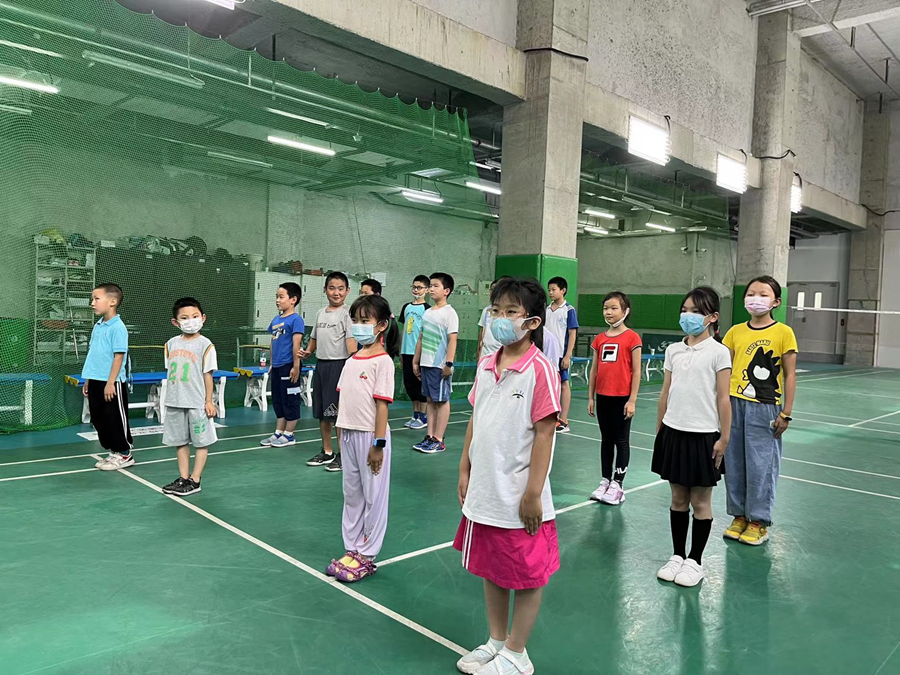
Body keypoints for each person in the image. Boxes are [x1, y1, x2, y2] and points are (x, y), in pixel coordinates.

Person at [454, 277, 560, 675]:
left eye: (511, 312)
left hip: (519, 493)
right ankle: (497, 641)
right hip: (486, 489)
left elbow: (545, 434)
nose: (501, 318)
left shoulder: (540, 370)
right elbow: (476, 418)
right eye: (496, 310)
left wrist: (533, 493)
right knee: (492, 568)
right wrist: (464, 466)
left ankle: (517, 653)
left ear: (532, 322)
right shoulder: (486, 364)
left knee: (528, 575)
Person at [652, 287, 732, 587]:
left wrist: (724, 438)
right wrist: (660, 429)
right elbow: (665, 392)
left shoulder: (719, 352)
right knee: (677, 499)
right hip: (673, 431)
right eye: (685, 310)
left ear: (712, 317)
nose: (688, 316)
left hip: (704, 436)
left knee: (700, 501)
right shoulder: (674, 350)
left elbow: (723, 398)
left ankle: (695, 561)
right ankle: (677, 555)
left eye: (696, 311)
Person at [325, 294, 400, 582]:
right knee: (352, 495)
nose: (358, 326)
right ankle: (352, 548)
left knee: (374, 496)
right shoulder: (352, 360)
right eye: (355, 320)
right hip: (348, 436)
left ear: (381, 326)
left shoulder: (384, 362)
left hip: (371, 438)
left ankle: (367, 555)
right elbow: (345, 401)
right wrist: (341, 438)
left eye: (365, 321)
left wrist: (378, 445)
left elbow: (382, 407)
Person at [721, 276, 798, 546]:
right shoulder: (734, 332)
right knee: (734, 462)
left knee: (761, 465)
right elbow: (725, 371)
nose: (756, 298)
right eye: (751, 293)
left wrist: (786, 412)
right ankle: (739, 516)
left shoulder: (784, 332)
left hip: (765, 407)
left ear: (776, 302)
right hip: (734, 403)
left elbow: (790, 375)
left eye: (763, 294)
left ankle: (758, 521)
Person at [161, 298, 219, 497]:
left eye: (195, 316)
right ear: (175, 322)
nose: (190, 321)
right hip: (175, 401)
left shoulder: (206, 345)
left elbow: (207, 375)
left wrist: (209, 401)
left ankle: (195, 480)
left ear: (203, 318)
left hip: (197, 402)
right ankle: (183, 478)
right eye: (184, 318)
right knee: (180, 441)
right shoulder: (170, 344)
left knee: (201, 442)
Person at [587, 291, 642, 505]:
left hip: (622, 398)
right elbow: (594, 370)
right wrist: (591, 397)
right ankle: (605, 480)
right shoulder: (599, 339)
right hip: (603, 397)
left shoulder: (632, 338)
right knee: (606, 440)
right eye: (605, 308)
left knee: (621, 440)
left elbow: (636, 371)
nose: (608, 312)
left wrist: (632, 400)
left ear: (625, 311)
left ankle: (618, 484)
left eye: (613, 308)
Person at [300, 272, 356, 472]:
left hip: (339, 366)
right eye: (332, 288)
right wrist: (308, 352)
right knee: (323, 413)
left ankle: (343, 454)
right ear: (325, 290)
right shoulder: (320, 313)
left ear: (347, 291)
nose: (336, 292)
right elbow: (314, 338)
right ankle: (327, 451)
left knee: (338, 414)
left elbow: (351, 341)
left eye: (341, 288)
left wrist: (353, 363)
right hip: (321, 366)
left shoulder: (348, 313)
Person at [84, 283, 134, 471]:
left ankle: (125, 453)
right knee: (99, 418)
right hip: (95, 380)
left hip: (111, 383)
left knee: (115, 418)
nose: (92, 303)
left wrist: (111, 382)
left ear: (112, 302)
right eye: (92, 299)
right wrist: (89, 379)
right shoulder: (98, 326)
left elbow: (118, 357)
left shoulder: (118, 327)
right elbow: (94, 355)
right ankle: (114, 451)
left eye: (96, 299)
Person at [412, 272, 458, 454]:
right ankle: (430, 436)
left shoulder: (450, 313)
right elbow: (421, 338)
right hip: (426, 363)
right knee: (430, 400)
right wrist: (416, 360)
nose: (431, 289)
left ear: (446, 291)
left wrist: (449, 363)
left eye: (435, 286)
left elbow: (453, 340)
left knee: (442, 400)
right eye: (430, 286)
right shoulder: (427, 313)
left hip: (440, 365)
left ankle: (439, 439)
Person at [259, 283, 305, 448]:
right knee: (278, 399)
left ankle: (289, 434)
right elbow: (273, 342)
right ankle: (279, 431)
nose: (277, 300)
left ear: (293, 300)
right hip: (277, 366)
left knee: (290, 399)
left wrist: (296, 366)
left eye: (281, 297)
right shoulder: (276, 320)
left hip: (289, 365)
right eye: (276, 297)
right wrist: (272, 363)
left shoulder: (296, 320)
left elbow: (296, 344)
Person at [546, 277, 579, 434]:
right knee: (548, 385)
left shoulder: (569, 310)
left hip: (560, 354)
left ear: (563, 290)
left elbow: (572, 334)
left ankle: (564, 420)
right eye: (549, 290)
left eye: (554, 289)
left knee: (564, 384)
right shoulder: (546, 309)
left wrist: (567, 355)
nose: (551, 292)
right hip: (546, 354)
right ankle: (549, 417)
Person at [398, 275, 430, 430]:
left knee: (420, 384)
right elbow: (404, 329)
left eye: (419, 287)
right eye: (414, 287)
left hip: (419, 353)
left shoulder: (427, 309)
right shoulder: (406, 307)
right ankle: (415, 414)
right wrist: (400, 350)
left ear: (427, 290)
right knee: (409, 384)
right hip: (406, 351)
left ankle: (423, 416)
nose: (416, 290)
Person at [477, 277, 510, 359]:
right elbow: (482, 330)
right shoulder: (486, 310)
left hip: (501, 353)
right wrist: (479, 350)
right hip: (485, 352)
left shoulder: (509, 313)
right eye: (491, 290)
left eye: (496, 290)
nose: (493, 292)